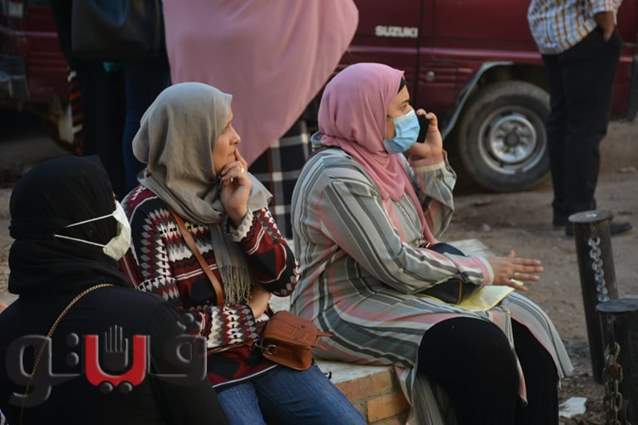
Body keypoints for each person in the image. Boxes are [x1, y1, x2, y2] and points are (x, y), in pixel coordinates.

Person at [290, 63, 574, 425]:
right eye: (401, 108)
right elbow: (395, 262)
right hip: (343, 308)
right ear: (366, 112)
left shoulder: (385, 157)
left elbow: (425, 234)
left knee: (526, 325)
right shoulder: (337, 175)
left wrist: (432, 165)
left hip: (395, 290)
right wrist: (483, 269)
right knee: (478, 346)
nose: (412, 115)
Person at [120, 82, 365, 425]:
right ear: (191, 139)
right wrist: (251, 312)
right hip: (203, 369)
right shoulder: (145, 214)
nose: (236, 137)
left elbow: (285, 280)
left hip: (264, 351)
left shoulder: (236, 188)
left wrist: (241, 218)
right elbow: (169, 330)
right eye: (224, 128)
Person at [0, 156, 228, 425]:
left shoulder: (6, 327)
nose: (118, 210)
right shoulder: (147, 317)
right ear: (89, 226)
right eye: (109, 202)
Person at [161, 0, 358, 237]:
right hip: (275, 116)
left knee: (207, 235)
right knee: (275, 237)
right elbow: (336, 19)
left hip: (208, 125)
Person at [528, 0, 632, 236]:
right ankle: (582, 218)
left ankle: (565, 212)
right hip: (582, 34)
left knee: (563, 123)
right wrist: (607, 26)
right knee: (585, 128)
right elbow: (601, 5)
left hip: (552, 32)